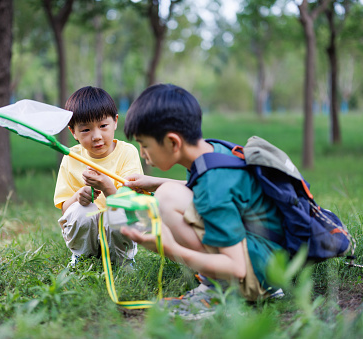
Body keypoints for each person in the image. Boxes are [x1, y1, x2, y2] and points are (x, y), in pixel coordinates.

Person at [121, 83, 284, 319]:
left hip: (253, 274)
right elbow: (202, 190)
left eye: (145, 145)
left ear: (173, 143)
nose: (143, 154)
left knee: (166, 199)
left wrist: (170, 249)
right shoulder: (213, 151)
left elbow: (236, 266)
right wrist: (154, 181)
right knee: (165, 192)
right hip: (269, 259)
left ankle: (219, 290)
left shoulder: (214, 186)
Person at [54, 86, 143, 267]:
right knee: (79, 209)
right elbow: (65, 209)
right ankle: (83, 259)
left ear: (115, 122)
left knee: (116, 212)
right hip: (88, 235)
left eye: (103, 126)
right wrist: (78, 197)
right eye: (86, 130)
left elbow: (131, 205)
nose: (96, 136)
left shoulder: (127, 153)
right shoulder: (71, 157)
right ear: (73, 132)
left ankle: (123, 261)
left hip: (120, 233)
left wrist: (107, 186)